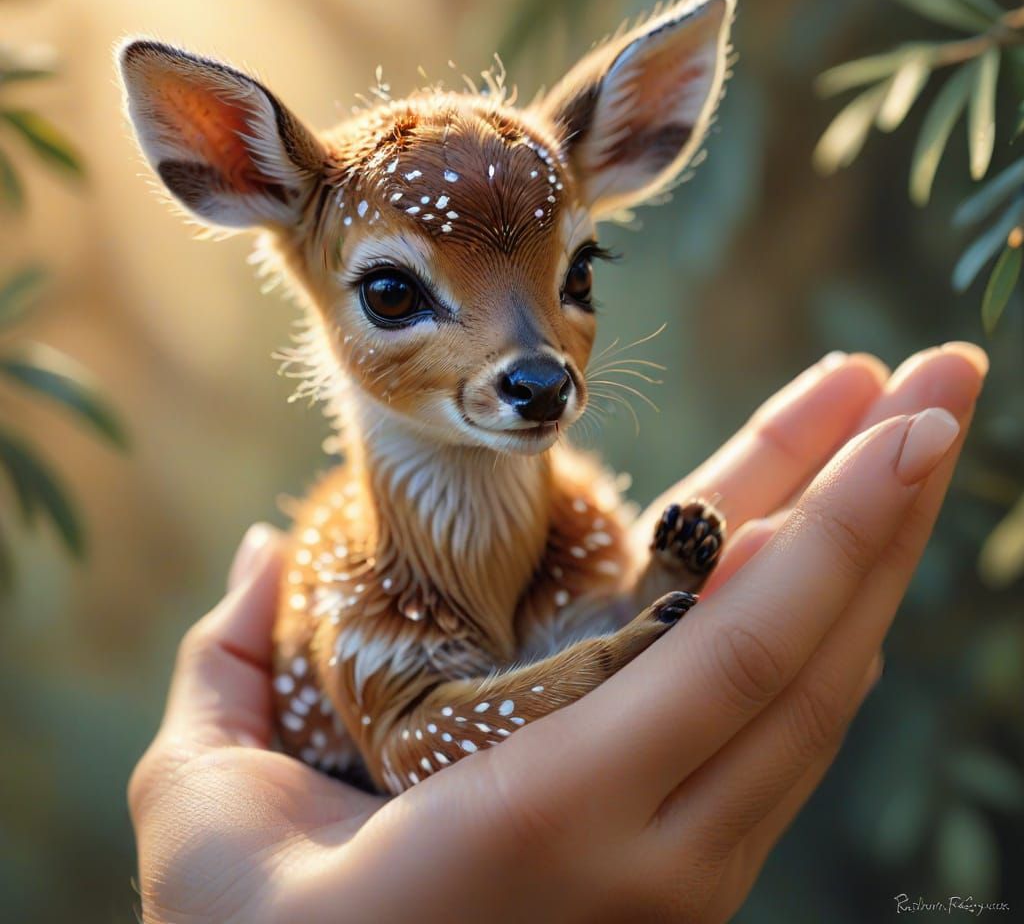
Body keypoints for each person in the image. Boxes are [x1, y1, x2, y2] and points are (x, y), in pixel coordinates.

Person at [128, 344, 987, 923]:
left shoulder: (570, 520)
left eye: (573, 280)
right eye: (392, 295)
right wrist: (608, 659)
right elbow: (408, 745)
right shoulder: (348, 579)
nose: (532, 356)